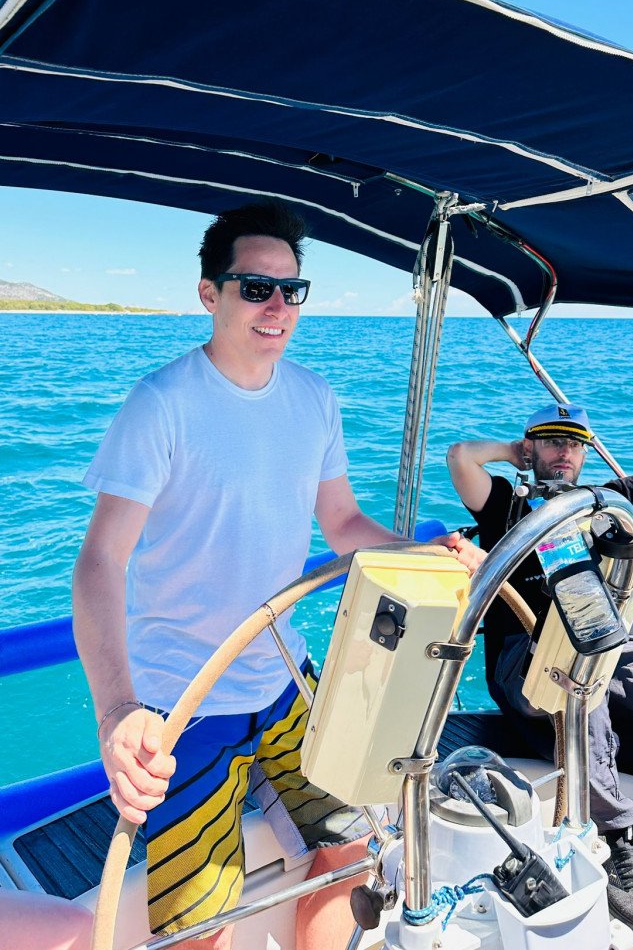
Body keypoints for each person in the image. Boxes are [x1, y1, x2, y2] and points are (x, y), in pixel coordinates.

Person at [73, 200, 459, 950]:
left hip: (284, 678)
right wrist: (118, 711)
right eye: (254, 287)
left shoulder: (313, 398)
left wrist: (428, 555)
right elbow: (99, 561)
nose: (277, 306)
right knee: (200, 925)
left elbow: (343, 525)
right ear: (209, 295)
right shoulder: (160, 405)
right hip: (184, 700)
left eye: (291, 290)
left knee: (352, 853)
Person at [447, 402, 633, 932]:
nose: (565, 451)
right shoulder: (507, 504)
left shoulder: (607, 506)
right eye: (551, 441)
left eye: (574, 443)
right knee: (580, 666)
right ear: (533, 449)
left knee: (608, 657)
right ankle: (618, 844)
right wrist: (513, 454)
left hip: (608, 648)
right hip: (522, 659)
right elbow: (461, 458)